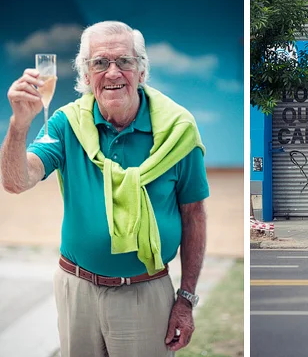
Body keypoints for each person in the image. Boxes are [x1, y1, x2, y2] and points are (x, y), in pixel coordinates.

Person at [1, 21, 208, 357]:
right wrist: (19, 124)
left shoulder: (177, 130)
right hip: (75, 290)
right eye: (99, 63)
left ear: (141, 71)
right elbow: (15, 181)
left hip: (145, 292)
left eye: (124, 62)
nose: (113, 73)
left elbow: (194, 214)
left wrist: (186, 298)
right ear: (85, 76)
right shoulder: (65, 124)